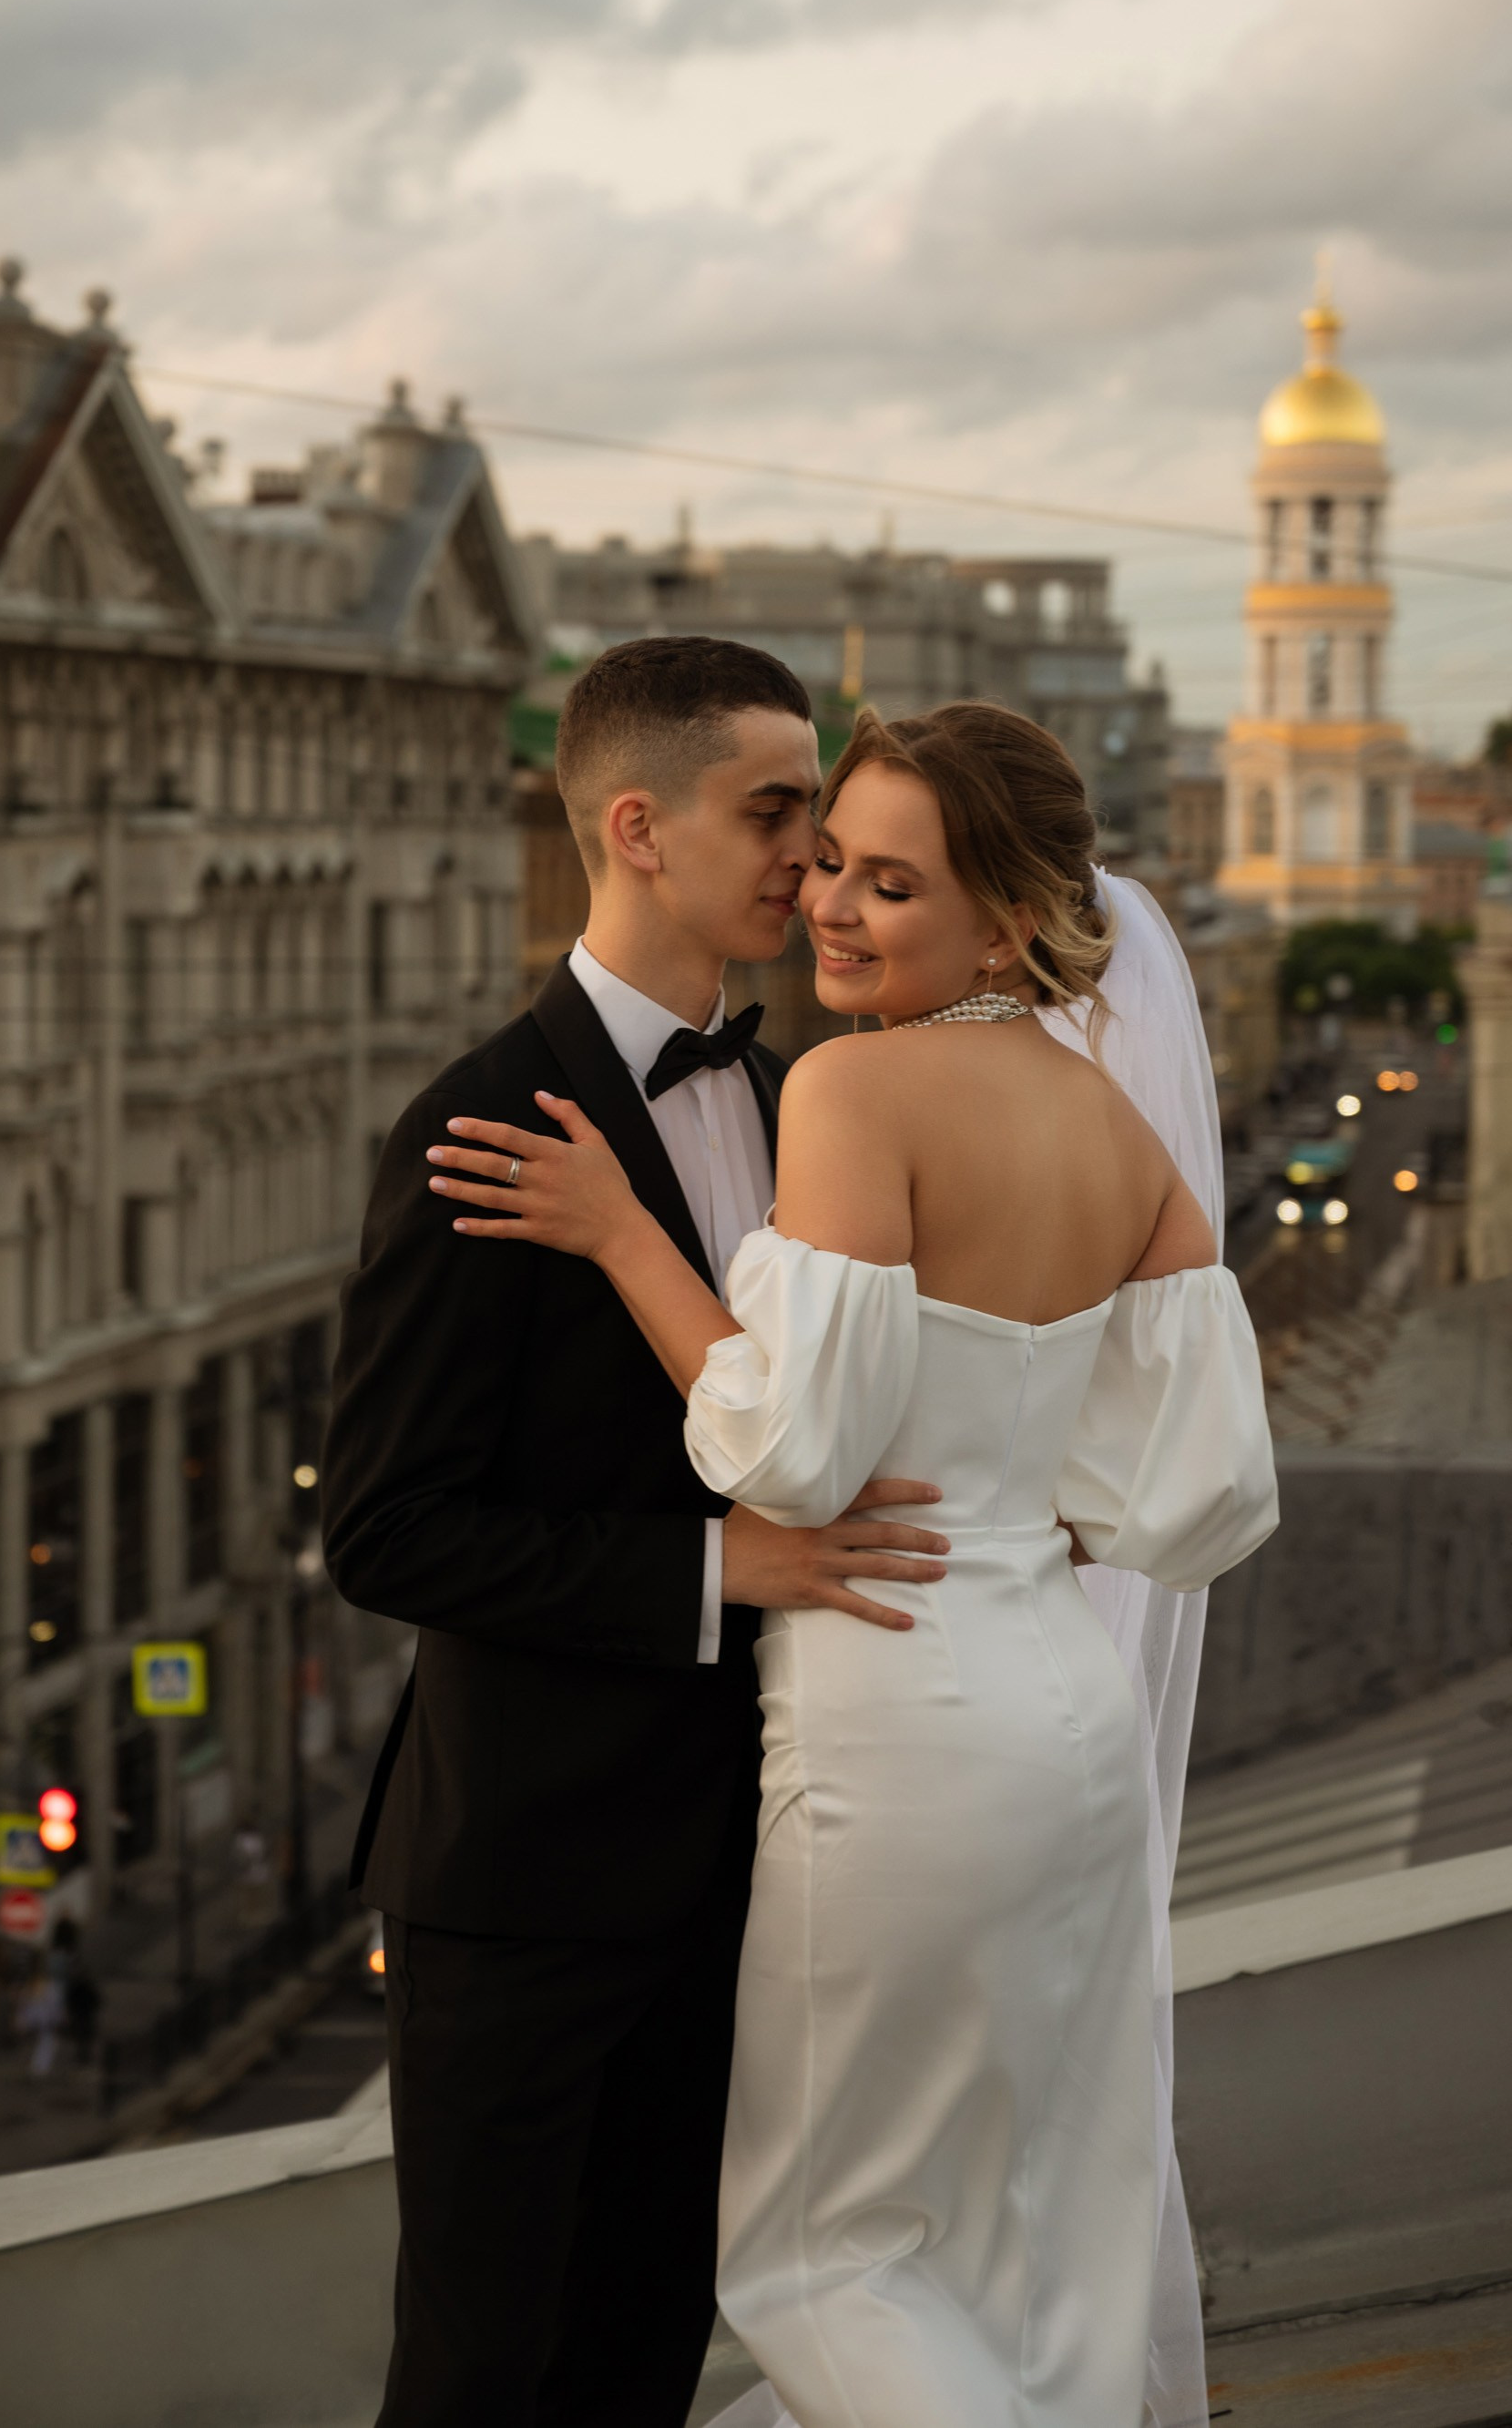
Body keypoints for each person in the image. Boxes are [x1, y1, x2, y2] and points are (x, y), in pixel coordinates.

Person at [425, 701, 1278, 2428]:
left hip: (902, 1719)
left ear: (1009, 921)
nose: (830, 907)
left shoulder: (850, 1082)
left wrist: (621, 1239)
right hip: (1068, 1725)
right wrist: (1004, 1478)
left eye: (890, 885)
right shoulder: (1120, 1134)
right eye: (828, 861)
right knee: (1043, 2219)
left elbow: (788, 1453)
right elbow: (1196, 1496)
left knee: (829, 2251)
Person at [322, 637, 953, 2428]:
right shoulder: (473, 1123)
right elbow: (385, 1530)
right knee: (478, 2374)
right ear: (635, 826)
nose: (808, 864)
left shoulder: (787, 1100)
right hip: (519, 1886)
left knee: (643, 2355)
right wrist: (714, 1570)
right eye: (775, 815)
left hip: (739, 1879)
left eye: (821, 823)